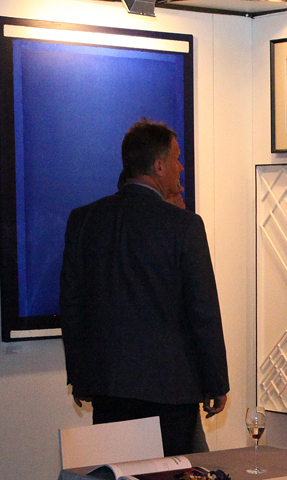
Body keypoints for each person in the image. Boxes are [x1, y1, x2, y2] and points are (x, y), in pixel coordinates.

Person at [60, 118, 228, 457]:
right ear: (159, 166)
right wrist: (216, 383)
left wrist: (81, 374)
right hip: (171, 392)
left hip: (108, 388)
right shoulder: (184, 226)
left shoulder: (84, 221)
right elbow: (203, 312)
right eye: (177, 158)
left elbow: (72, 307)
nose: (181, 167)